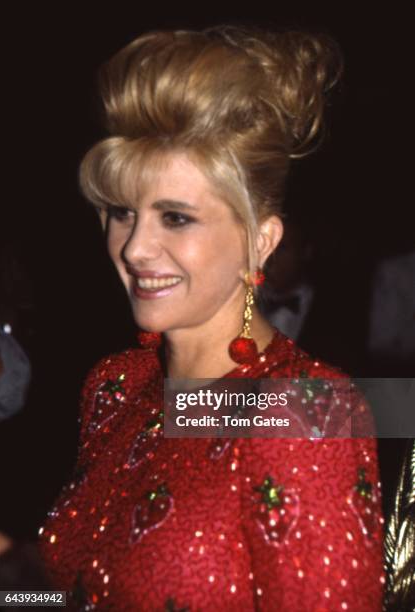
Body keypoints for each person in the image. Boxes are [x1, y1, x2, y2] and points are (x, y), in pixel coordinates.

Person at [38, 26, 385, 610]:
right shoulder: (114, 387)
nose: (134, 248)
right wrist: (12, 584)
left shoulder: (301, 413)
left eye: (175, 217)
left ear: (260, 241)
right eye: (122, 212)